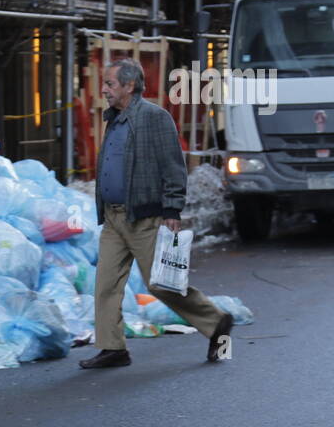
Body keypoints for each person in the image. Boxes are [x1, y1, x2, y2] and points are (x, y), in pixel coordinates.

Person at [78, 59, 232, 369]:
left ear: (129, 86)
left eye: (109, 83)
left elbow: (173, 165)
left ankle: (216, 323)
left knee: (162, 284)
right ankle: (113, 348)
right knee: (105, 285)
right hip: (113, 218)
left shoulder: (155, 118)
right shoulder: (115, 119)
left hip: (144, 218)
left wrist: (172, 207)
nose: (104, 89)